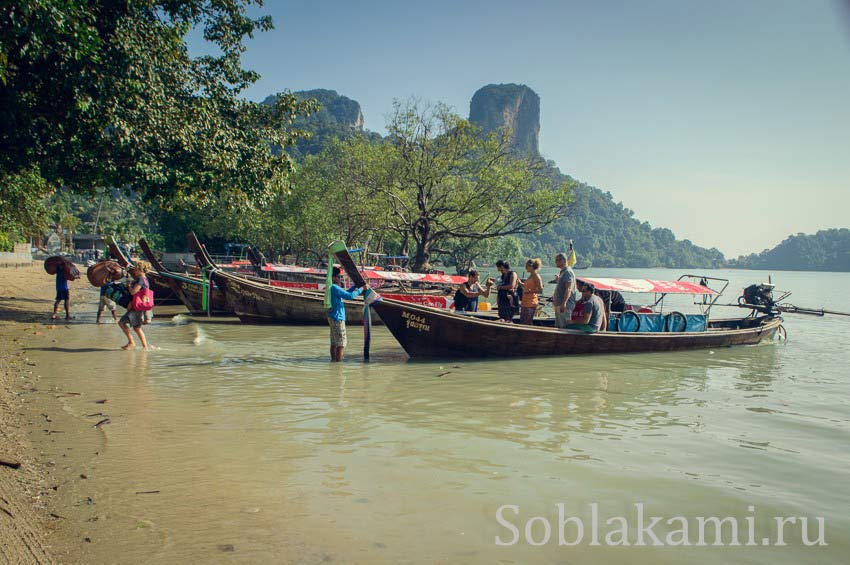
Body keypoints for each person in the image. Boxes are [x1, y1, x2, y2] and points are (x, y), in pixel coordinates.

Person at [328, 267, 367, 362]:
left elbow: (345, 293)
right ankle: (338, 366)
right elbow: (349, 296)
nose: (339, 278)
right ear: (333, 277)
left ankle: (333, 361)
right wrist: (361, 289)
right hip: (338, 318)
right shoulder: (334, 287)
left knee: (334, 342)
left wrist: (355, 287)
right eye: (338, 277)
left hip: (332, 317)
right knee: (341, 344)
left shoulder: (331, 287)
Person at [118, 264, 150, 350]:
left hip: (136, 307)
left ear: (140, 270)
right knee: (136, 328)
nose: (135, 271)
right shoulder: (146, 280)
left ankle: (132, 342)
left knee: (123, 323)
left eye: (136, 269)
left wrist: (129, 286)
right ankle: (144, 347)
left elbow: (134, 292)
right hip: (140, 307)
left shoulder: (140, 279)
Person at [552, 252, 576, 328]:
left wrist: (564, 303)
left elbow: (568, 288)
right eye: (556, 260)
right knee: (558, 326)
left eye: (558, 260)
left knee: (564, 327)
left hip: (564, 305)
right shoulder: (563, 272)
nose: (556, 262)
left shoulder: (567, 272)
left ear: (564, 260)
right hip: (559, 304)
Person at [520, 258, 543, 324]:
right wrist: (520, 283)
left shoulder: (536, 276)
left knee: (528, 322)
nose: (526, 268)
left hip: (531, 302)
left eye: (527, 266)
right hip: (525, 302)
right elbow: (527, 286)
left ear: (531, 266)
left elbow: (540, 290)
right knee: (523, 321)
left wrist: (530, 291)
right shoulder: (530, 276)